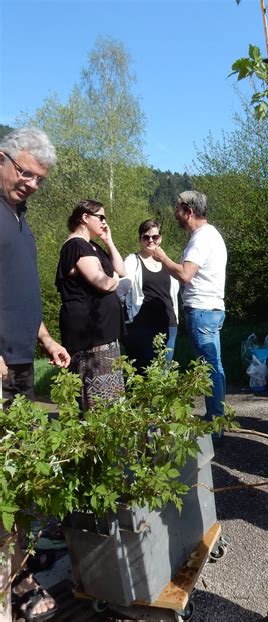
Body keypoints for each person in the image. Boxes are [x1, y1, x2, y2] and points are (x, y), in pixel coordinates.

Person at [0, 127, 71, 622]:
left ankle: (18, 569)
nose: (31, 184)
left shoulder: (19, 220)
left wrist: (46, 339)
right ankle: (10, 586)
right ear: (2, 158)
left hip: (22, 361)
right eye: (25, 172)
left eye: (39, 178)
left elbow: (21, 295)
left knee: (21, 472)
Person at [153, 191, 227, 431]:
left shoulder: (201, 238)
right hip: (212, 309)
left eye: (178, 209)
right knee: (214, 366)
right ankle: (218, 419)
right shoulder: (211, 235)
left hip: (202, 310)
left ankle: (215, 425)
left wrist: (162, 257)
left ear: (189, 211)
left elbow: (185, 274)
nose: (175, 214)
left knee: (209, 369)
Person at [56, 200, 126, 411]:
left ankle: (106, 441)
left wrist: (109, 241)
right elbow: (104, 283)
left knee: (110, 398)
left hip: (102, 332)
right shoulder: (76, 245)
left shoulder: (92, 246)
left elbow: (121, 270)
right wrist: (113, 280)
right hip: (90, 335)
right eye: (101, 217)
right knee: (97, 401)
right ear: (85, 218)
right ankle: (96, 442)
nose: (105, 222)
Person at [118, 219, 179, 369]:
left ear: (160, 238)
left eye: (155, 237)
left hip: (168, 323)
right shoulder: (133, 261)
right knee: (144, 370)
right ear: (140, 239)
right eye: (146, 237)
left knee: (165, 369)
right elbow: (120, 290)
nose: (150, 240)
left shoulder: (167, 262)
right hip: (142, 325)